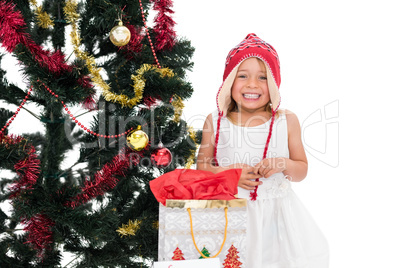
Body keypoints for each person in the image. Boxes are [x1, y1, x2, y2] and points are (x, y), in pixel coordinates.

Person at [197, 33, 329, 268]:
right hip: (230, 215)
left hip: (276, 220)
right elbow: (202, 169)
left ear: (274, 84)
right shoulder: (216, 121)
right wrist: (229, 173)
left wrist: (283, 164)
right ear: (229, 82)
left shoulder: (286, 120)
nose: (252, 85)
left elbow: (301, 170)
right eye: (243, 76)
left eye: (262, 77)